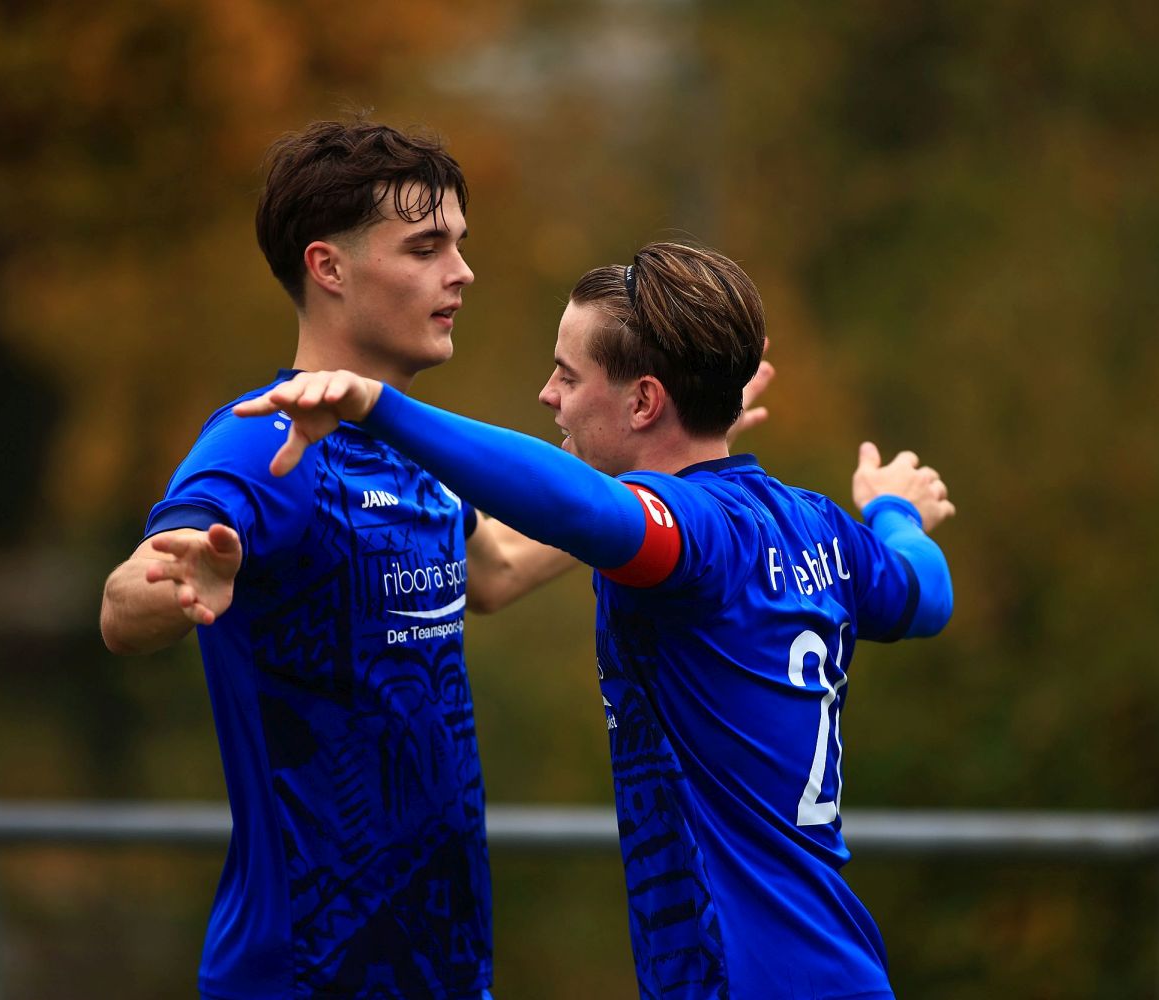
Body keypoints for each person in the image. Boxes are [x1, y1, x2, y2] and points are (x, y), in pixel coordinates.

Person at [235, 241, 955, 999]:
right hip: (842, 964)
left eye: (568, 375)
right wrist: (893, 511)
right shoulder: (816, 525)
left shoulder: (696, 535)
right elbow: (927, 591)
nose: (548, 394)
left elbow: (582, 509)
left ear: (644, 403)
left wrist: (380, 409)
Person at [99, 119, 578, 999]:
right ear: (328, 267)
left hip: (444, 966)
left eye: (459, 244)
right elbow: (123, 604)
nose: (462, 272)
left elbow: (498, 569)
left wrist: (652, 485)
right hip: (305, 975)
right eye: (426, 248)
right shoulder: (264, 440)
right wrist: (179, 581)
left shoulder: (411, 443)